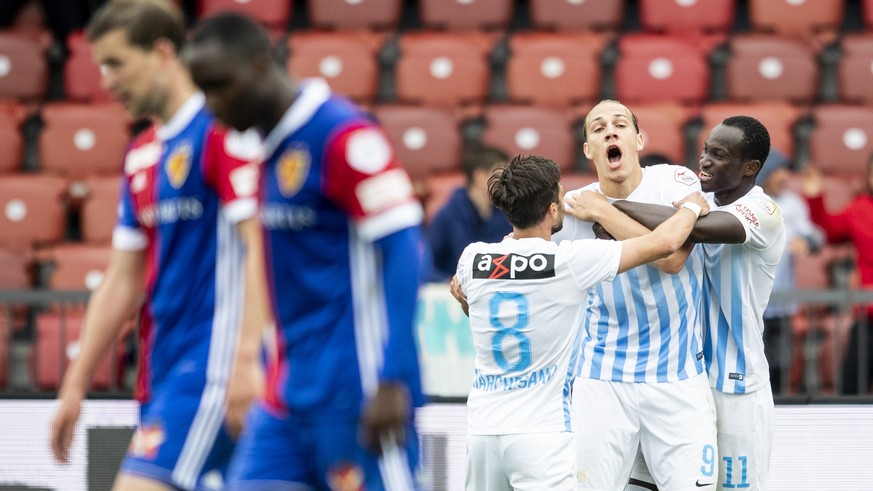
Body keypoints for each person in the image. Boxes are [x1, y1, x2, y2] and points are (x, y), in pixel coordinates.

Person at [184, 12, 425, 489]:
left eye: (220, 86)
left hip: (359, 395)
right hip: (287, 395)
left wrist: (394, 377)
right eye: (202, 91)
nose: (212, 106)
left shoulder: (343, 135)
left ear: (259, 64)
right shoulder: (260, 151)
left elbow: (405, 251)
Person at [49, 1, 262, 490]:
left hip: (213, 369)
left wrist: (249, 356)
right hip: (161, 372)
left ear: (163, 53)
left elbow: (260, 248)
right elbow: (122, 280)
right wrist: (75, 383)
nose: (105, 80)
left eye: (116, 62)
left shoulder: (220, 133)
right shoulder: (142, 153)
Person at [453, 154, 709, 490]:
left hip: (483, 431)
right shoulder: (570, 261)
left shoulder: (472, 258)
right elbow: (664, 245)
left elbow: (472, 306)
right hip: (541, 436)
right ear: (552, 209)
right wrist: (691, 206)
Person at [553, 99, 719, 490]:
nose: (610, 131)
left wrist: (603, 211)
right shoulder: (573, 208)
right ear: (587, 150)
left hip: (677, 376)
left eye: (620, 124)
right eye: (597, 128)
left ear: (639, 139)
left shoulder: (677, 182)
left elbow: (674, 257)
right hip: (601, 379)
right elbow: (528, 250)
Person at [616, 116, 786, 491]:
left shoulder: (764, 213)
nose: (704, 160)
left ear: (750, 167)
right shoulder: (692, 202)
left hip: (735, 384)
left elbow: (691, 228)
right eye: (706, 150)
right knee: (644, 483)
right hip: (678, 377)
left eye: (719, 155)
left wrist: (610, 206)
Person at [802, 155, 873, 394]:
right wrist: (815, 196)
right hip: (868, 319)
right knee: (850, 391)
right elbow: (831, 231)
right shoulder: (860, 208)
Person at [757, 149, 822, 394]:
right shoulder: (751, 202)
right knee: (755, 365)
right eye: (779, 171)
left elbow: (813, 235)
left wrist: (810, 242)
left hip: (782, 303)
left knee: (781, 365)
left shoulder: (793, 204)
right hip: (753, 303)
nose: (785, 177)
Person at [427, 143, 512, 282]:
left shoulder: (508, 215)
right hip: (453, 297)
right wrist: (448, 283)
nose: (508, 183)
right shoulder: (446, 216)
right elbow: (426, 263)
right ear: (480, 176)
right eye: (503, 176)